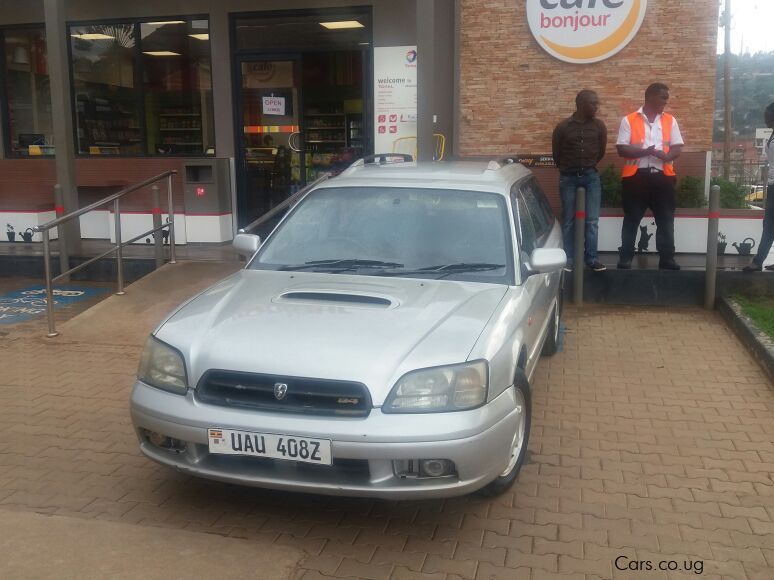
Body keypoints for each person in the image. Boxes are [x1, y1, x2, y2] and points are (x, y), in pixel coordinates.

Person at [616, 83, 684, 270]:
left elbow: (677, 146)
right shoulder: (629, 120)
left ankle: (667, 259)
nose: (666, 101)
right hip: (636, 178)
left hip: (663, 178)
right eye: (663, 97)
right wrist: (645, 152)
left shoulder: (670, 120)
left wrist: (667, 156)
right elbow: (621, 148)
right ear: (651, 97)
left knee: (666, 219)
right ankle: (625, 258)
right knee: (631, 219)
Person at [552, 89, 607, 272]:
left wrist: (587, 165)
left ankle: (591, 259)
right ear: (581, 104)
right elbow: (557, 155)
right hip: (568, 177)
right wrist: (569, 168)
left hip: (591, 177)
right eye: (593, 103)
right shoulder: (563, 127)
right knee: (568, 220)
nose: (596, 107)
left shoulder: (599, 126)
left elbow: (600, 152)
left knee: (592, 221)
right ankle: (568, 259)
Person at [743, 102, 774, 272]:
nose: (765, 118)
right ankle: (758, 261)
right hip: (772, 183)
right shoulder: (771, 134)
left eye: (768, 115)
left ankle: (757, 261)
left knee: (769, 224)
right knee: (768, 224)